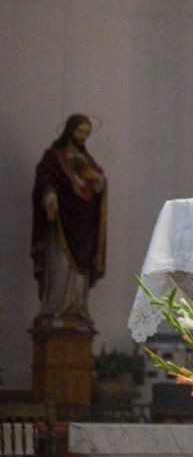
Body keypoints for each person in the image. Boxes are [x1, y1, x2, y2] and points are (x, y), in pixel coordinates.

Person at [32, 114, 107, 329]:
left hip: (84, 227)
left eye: (86, 133)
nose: (83, 136)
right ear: (69, 130)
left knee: (79, 274)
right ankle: (54, 310)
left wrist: (99, 181)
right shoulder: (54, 157)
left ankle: (76, 310)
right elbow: (44, 178)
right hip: (62, 223)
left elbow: (97, 186)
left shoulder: (87, 160)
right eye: (80, 131)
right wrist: (49, 196)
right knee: (60, 267)